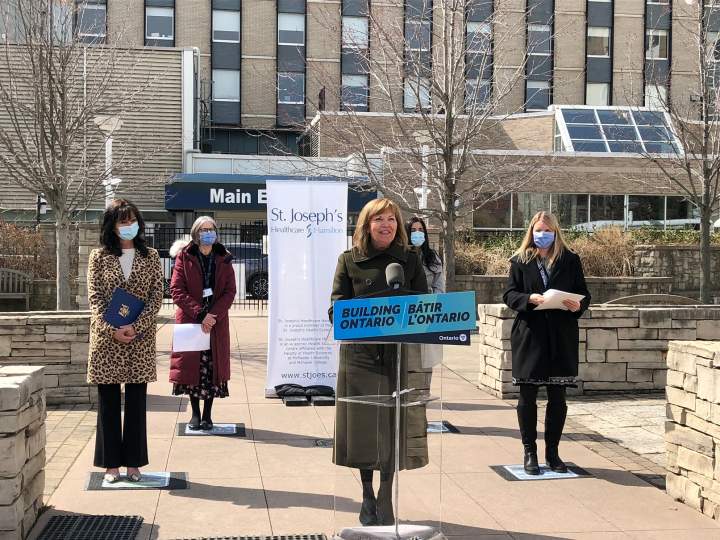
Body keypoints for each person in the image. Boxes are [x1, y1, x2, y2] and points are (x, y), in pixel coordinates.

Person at [330, 198, 429, 526]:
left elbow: (424, 305)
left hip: (397, 356)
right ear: (367, 224)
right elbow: (335, 310)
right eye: (379, 219)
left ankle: (386, 493)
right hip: (360, 357)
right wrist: (366, 313)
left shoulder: (410, 260)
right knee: (363, 429)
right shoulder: (349, 260)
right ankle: (367, 494)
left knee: (390, 427)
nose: (386, 225)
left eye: (391, 219)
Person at [502, 211, 591, 475]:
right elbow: (509, 294)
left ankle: (553, 453)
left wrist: (578, 305)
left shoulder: (570, 259)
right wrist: (529, 298)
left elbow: (584, 293)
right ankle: (529, 452)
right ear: (531, 231)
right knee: (527, 395)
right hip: (530, 334)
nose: (543, 234)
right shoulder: (520, 260)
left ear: (556, 232)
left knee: (558, 397)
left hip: (560, 335)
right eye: (539, 230)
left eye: (548, 230)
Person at [87, 199, 164, 483]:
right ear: (112, 225)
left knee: (136, 404)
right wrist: (112, 329)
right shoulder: (99, 256)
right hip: (107, 342)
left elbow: (156, 296)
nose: (129, 226)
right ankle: (111, 466)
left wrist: (136, 325)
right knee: (108, 404)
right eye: (123, 221)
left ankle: (134, 464)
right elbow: (95, 298)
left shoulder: (151, 256)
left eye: (132, 220)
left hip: (139, 340)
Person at [170, 216, 236, 430]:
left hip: (215, 323)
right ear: (195, 233)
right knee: (193, 369)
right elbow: (177, 290)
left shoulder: (224, 258)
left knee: (212, 369)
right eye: (203, 230)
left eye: (211, 229)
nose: (208, 233)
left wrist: (213, 315)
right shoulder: (184, 256)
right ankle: (195, 414)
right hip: (192, 320)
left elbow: (230, 291)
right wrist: (200, 315)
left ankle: (207, 414)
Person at [407, 216, 445, 293]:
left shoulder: (432, 257)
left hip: (428, 299)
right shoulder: (401, 256)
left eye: (420, 230)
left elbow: (439, 286)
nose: (417, 233)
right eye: (413, 230)